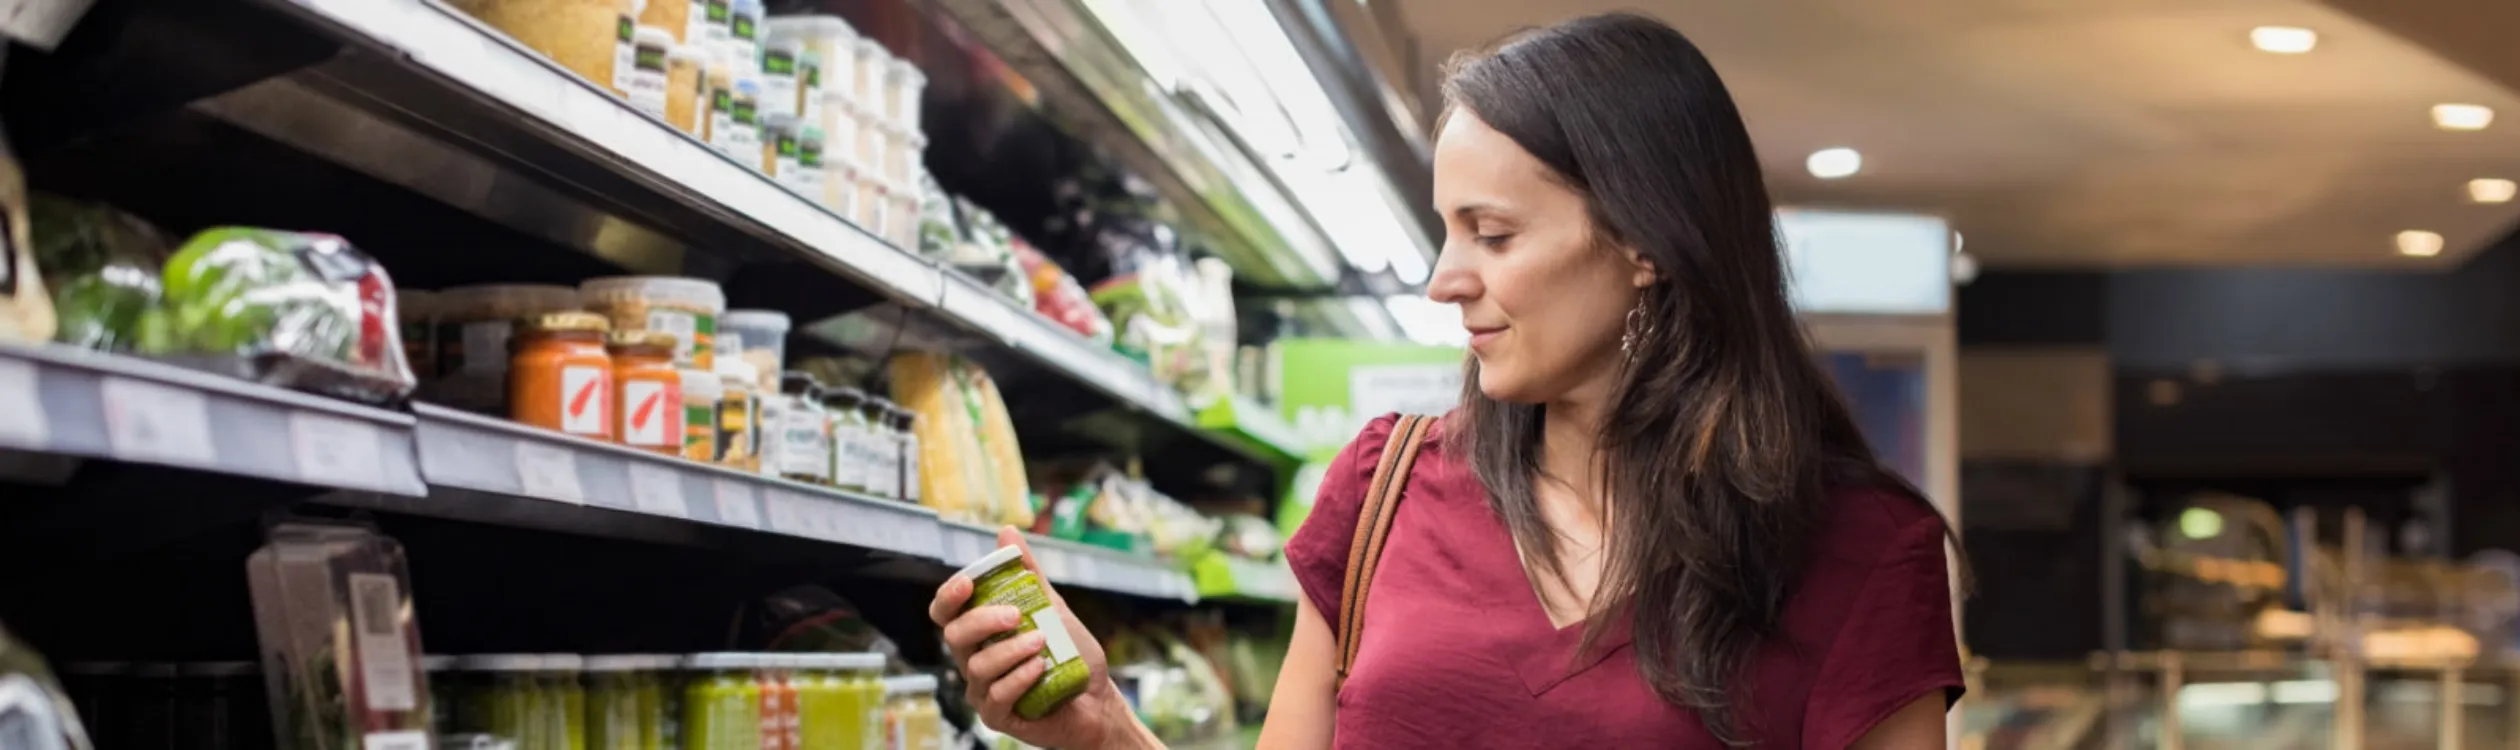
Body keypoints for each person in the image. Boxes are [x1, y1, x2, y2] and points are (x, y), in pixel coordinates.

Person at [928, 12, 1964, 749]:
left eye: (1493, 232)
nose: (1443, 279)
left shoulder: (1862, 554)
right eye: (1444, 228)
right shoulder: (1384, 488)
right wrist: (1100, 729)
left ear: (1648, 241)